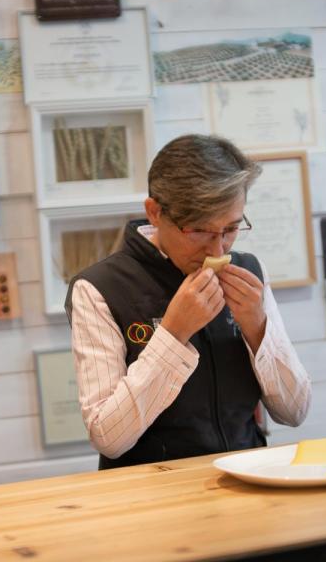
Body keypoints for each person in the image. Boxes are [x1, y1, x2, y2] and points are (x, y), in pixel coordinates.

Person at [65, 134, 311, 469]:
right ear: (154, 212)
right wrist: (173, 334)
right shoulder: (97, 290)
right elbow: (109, 437)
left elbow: (294, 411)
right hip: (151, 494)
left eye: (231, 229)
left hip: (248, 478)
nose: (217, 250)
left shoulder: (250, 271)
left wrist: (257, 327)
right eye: (199, 231)